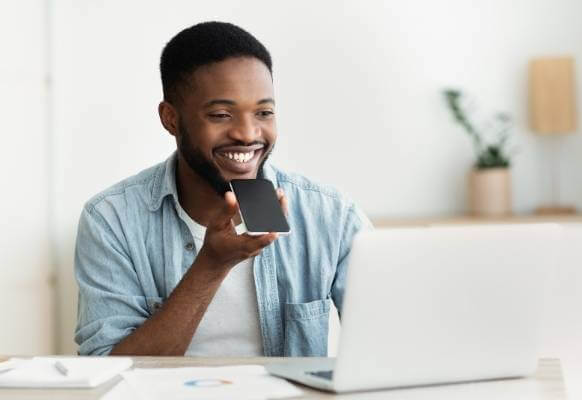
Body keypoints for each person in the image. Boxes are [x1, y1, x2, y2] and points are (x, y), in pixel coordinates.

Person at [74, 21, 371, 357]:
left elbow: (393, 342)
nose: (247, 133)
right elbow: (107, 371)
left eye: (264, 112)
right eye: (220, 114)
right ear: (171, 119)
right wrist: (212, 265)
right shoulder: (112, 219)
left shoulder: (330, 215)